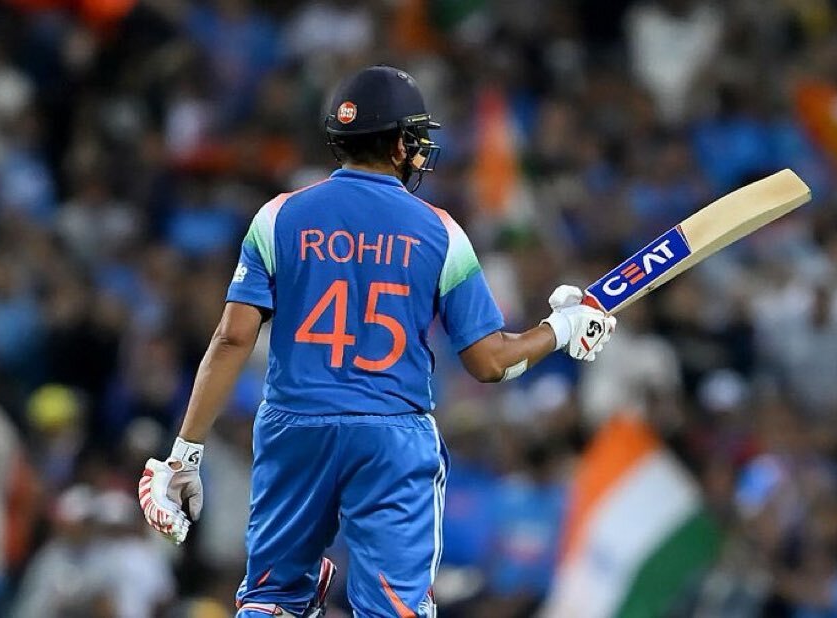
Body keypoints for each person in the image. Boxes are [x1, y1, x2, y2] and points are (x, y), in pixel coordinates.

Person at [137, 65, 616, 618]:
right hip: (392, 435)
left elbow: (233, 338)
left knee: (269, 599)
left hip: (295, 426)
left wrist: (184, 453)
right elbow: (489, 363)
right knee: (395, 610)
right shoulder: (439, 231)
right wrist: (559, 330)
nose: (418, 151)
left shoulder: (278, 217)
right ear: (395, 143)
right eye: (413, 139)